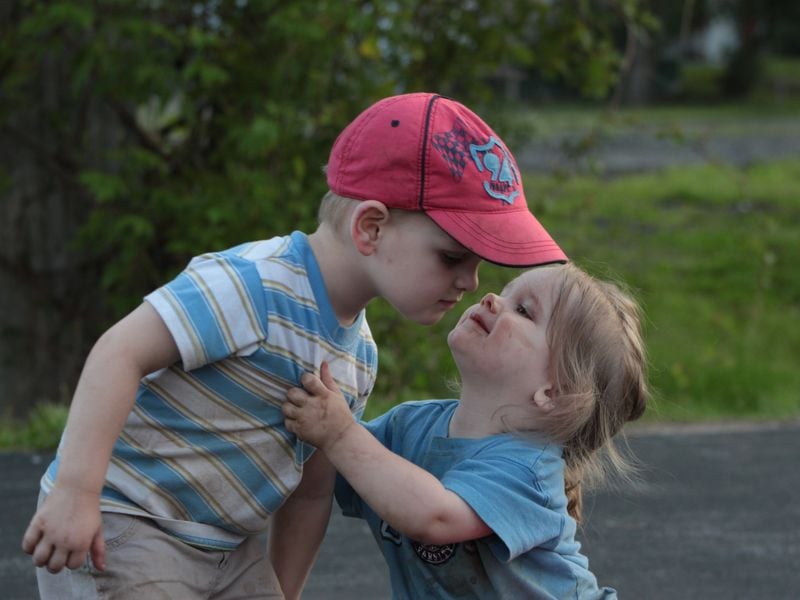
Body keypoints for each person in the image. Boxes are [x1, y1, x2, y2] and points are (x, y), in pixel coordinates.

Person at [21, 92, 567, 600]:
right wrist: (76, 491)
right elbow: (120, 351)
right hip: (125, 521)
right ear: (371, 229)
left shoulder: (357, 359)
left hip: (225, 548)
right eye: (452, 257)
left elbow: (309, 493)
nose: (470, 282)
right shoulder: (252, 287)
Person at [283, 262, 648, 599]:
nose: (491, 299)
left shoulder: (527, 470)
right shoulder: (408, 426)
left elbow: (434, 516)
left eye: (523, 310)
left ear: (553, 392)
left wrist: (340, 434)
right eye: (505, 292)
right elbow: (331, 467)